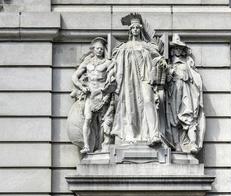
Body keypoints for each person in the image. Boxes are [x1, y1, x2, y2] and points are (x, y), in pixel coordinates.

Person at [109, 13, 166, 146]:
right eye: (133, 28)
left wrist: (161, 61)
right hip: (129, 80)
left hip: (145, 78)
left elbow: (157, 57)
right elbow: (114, 63)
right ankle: (131, 133)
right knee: (130, 106)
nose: (135, 30)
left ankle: (153, 134)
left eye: (137, 28)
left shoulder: (147, 46)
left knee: (148, 101)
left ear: (140, 29)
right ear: (130, 30)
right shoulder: (124, 47)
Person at [69, 37, 115, 154]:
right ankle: (86, 146)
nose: (99, 50)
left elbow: (112, 79)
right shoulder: (87, 62)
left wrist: (107, 93)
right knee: (88, 119)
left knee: (102, 122)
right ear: (93, 50)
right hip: (90, 95)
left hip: (102, 94)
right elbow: (75, 77)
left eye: (101, 48)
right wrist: (81, 87)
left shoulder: (107, 63)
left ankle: (101, 146)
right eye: (97, 48)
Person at [165, 34, 205, 154]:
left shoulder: (187, 62)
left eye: (179, 48)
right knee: (173, 119)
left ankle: (192, 143)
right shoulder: (169, 64)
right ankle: (177, 144)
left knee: (189, 115)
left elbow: (194, 79)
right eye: (175, 48)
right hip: (173, 92)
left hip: (186, 92)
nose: (177, 50)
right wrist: (169, 73)